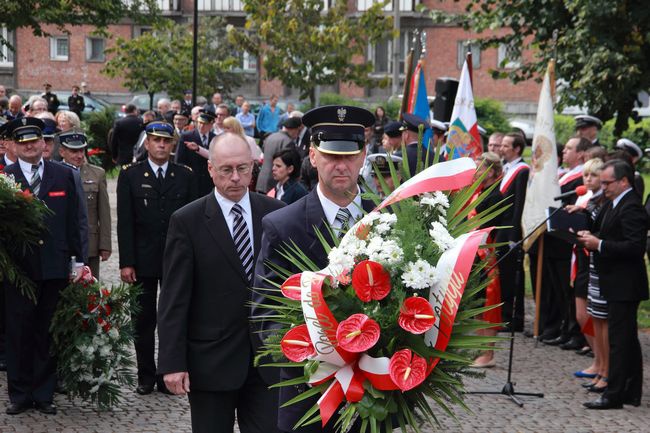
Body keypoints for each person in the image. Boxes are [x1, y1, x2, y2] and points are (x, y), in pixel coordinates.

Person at [253, 105, 376, 433]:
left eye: (350, 156)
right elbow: (264, 314)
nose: (341, 165)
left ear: (363, 156)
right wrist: (311, 357)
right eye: (331, 155)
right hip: (306, 397)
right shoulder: (282, 225)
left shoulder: (388, 221)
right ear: (313, 155)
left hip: (375, 399)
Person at [157, 132, 284, 433]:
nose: (236, 178)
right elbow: (174, 299)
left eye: (243, 168)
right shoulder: (187, 221)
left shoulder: (276, 216)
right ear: (211, 169)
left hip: (267, 361)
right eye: (226, 170)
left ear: (254, 166)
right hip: (210, 362)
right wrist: (172, 362)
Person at [3, 117, 83, 415]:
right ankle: (20, 394)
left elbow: (73, 222)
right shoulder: (4, 177)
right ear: (13, 145)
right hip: (18, 270)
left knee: (47, 332)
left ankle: (44, 392)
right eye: (22, 143)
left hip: (54, 265)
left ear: (44, 143)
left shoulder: (62, 176)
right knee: (18, 332)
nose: (29, 147)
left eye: (34, 141)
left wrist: (77, 261)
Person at [117, 121, 198, 396]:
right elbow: (125, 223)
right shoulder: (130, 175)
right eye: (156, 140)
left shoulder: (185, 175)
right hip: (142, 260)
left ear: (173, 144)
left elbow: (193, 221)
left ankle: (167, 374)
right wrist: (126, 261)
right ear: (147, 144)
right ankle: (145, 376)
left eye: (166, 141)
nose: (161, 145)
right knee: (142, 319)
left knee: (172, 317)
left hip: (176, 259)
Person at [579, 159, 648, 410]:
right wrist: (590, 235)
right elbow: (604, 230)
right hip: (613, 281)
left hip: (625, 283)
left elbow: (635, 247)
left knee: (620, 340)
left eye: (608, 182)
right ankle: (630, 391)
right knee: (626, 338)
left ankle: (614, 394)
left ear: (623, 181)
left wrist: (600, 245)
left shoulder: (632, 207)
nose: (603, 186)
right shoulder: (613, 203)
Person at [542, 137, 591, 349]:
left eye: (569, 148)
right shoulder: (563, 174)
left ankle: (575, 332)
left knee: (568, 289)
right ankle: (563, 327)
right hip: (555, 237)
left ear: (581, 154)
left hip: (567, 241)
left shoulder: (581, 177)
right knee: (557, 289)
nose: (564, 152)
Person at [566, 159, 607, 383]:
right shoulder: (584, 198)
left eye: (593, 175)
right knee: (583, 315)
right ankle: (597, 360)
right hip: (582, 259)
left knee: (593, 316)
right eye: (585, 175)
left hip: (593, 259)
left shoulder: (602, 201)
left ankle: (602, 362)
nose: (588, 179)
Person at [58, 131, 111, 279]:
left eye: (82, 150)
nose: (79, 155)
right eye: (74, 151)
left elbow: (104, 212)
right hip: (62, 241)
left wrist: (105, 244)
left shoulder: (97, 174)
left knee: (90, 289)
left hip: (89, 242)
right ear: (62, 151)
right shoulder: (53, 173)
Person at [470, 151, 504, 367]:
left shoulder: (495, 197)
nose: (475, 173)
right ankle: (481, 348)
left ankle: (488, 353)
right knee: (478, 301)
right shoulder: (478, 192)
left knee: (487, 303)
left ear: (491, 172)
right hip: (474, 253)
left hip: (486, 254)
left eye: (479, 168)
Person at [496, 132, 529, 332]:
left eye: (506, 146)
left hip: (510, 231)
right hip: (502, 227)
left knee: (511, 277)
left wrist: (514, 235)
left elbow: (519, 205)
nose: (502, 148)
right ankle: (503, 314)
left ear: (517, 149)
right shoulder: (506, 168)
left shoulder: (522, 170)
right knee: (502, 275)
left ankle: (513, 317)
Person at [176, 110, 217, 196]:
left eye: (205, 124)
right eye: (200, 122)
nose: (201, 126)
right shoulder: (187, 136)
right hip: (192, 180)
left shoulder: (215, 138)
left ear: (211, 124)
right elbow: (179, 160)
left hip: (208, 182)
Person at [256, 116, 301, 193]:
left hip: (261, 179)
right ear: (293, 129)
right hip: (275, 182)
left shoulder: (270, 137)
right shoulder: (288, 142)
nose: (297, 134)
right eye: (298, 131)